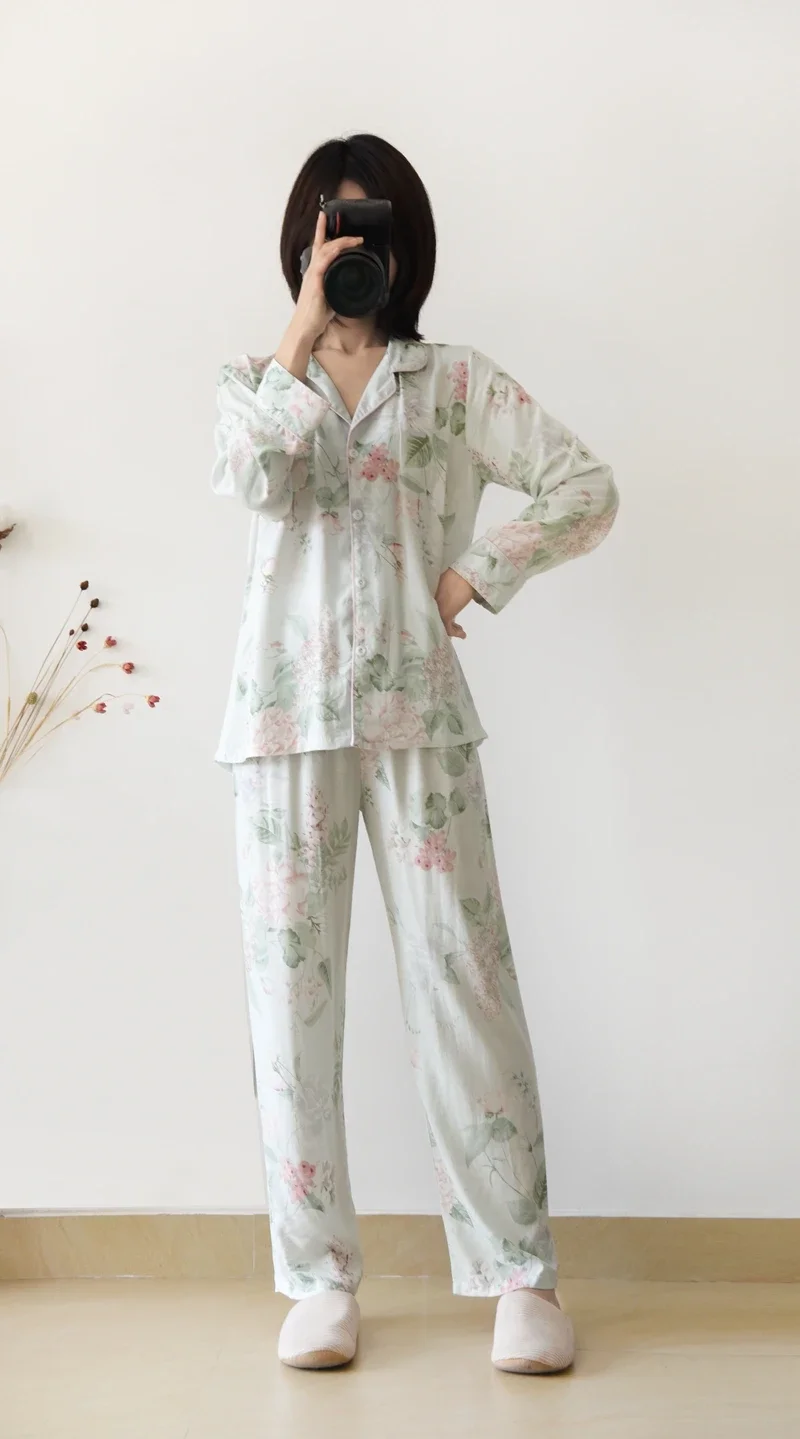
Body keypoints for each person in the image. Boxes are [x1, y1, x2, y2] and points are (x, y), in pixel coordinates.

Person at [211, 132, 618, 1374]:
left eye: (372, 227)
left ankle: (519, 1274)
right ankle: (316, 1276)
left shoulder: (453, 383)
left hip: (417, 716)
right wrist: (298, 334)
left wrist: (473, 572)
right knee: (291, 1007)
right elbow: (251, 479)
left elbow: (581, 485)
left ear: (408, 244)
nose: (353, 247)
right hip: (282, 721)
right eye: (332, 227)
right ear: (302, 240)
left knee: (464, 988)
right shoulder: (254, 380)